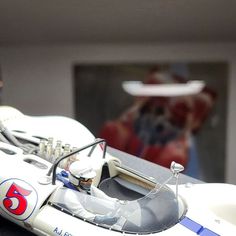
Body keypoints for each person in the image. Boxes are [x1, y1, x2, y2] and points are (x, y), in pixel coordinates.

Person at [56, 158, 120, 225]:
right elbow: (81, 213)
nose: (90, 182)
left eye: (90, 179)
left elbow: (104, 197)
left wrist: (117, 203)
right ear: (75, 179)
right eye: (86, 179)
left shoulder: (85, 187)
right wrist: (100, 219)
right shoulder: (69, 194)